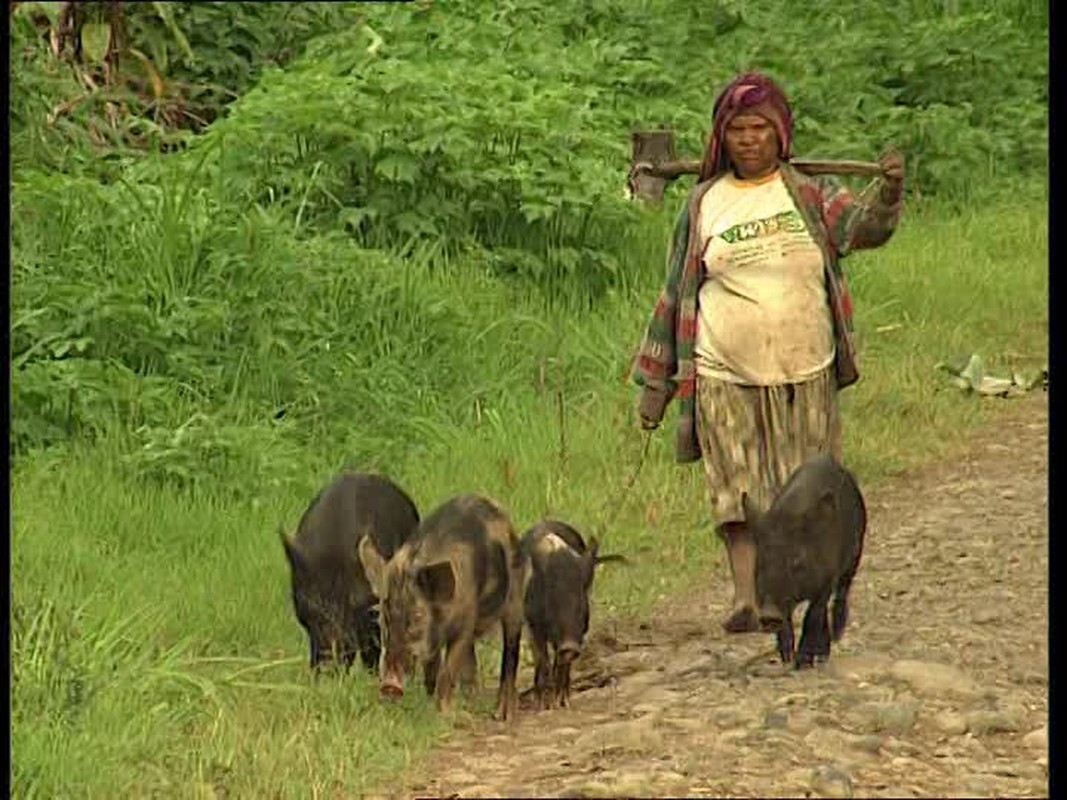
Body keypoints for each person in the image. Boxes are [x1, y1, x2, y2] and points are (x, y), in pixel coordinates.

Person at [631, 72, 905, 634]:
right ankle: (746, 595)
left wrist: (891, 192)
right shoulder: (704, 203)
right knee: (737, 486)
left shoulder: (809, 194)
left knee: (804, 493)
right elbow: (674, 293)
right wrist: (656, 387)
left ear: (780, 134)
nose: (749, 139)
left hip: (806, 364)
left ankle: (801, 594)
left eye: (760, 128)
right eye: (737, 130)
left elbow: (866, 229)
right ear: (721, 137)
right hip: (722, 367)